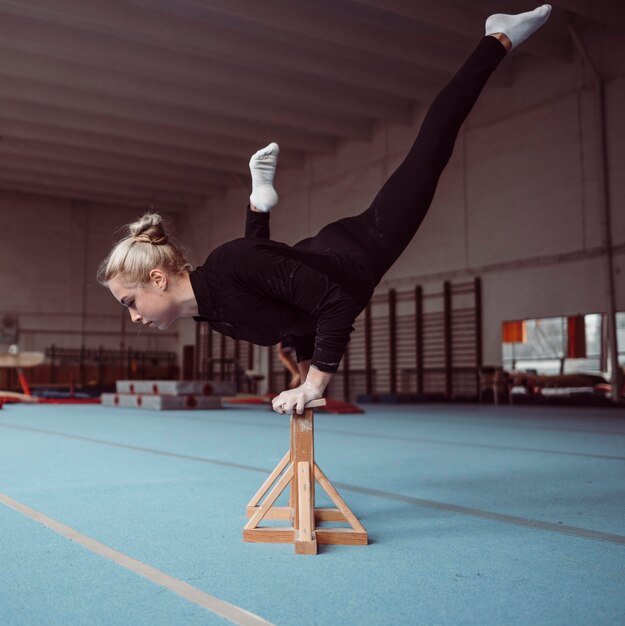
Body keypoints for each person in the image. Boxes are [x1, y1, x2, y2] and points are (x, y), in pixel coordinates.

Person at [98, 5, 552, 416]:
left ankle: (496, 38)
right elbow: (294, 319)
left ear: (157, 278)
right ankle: (259, 201)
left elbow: (335, 305)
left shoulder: (226, 270)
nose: (134, 317)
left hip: (358, 249)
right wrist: (303, 380)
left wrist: (316, 384)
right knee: (253, 255)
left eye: (130, 302)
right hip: (307, 256)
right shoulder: (213, 312)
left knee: (432, 149)